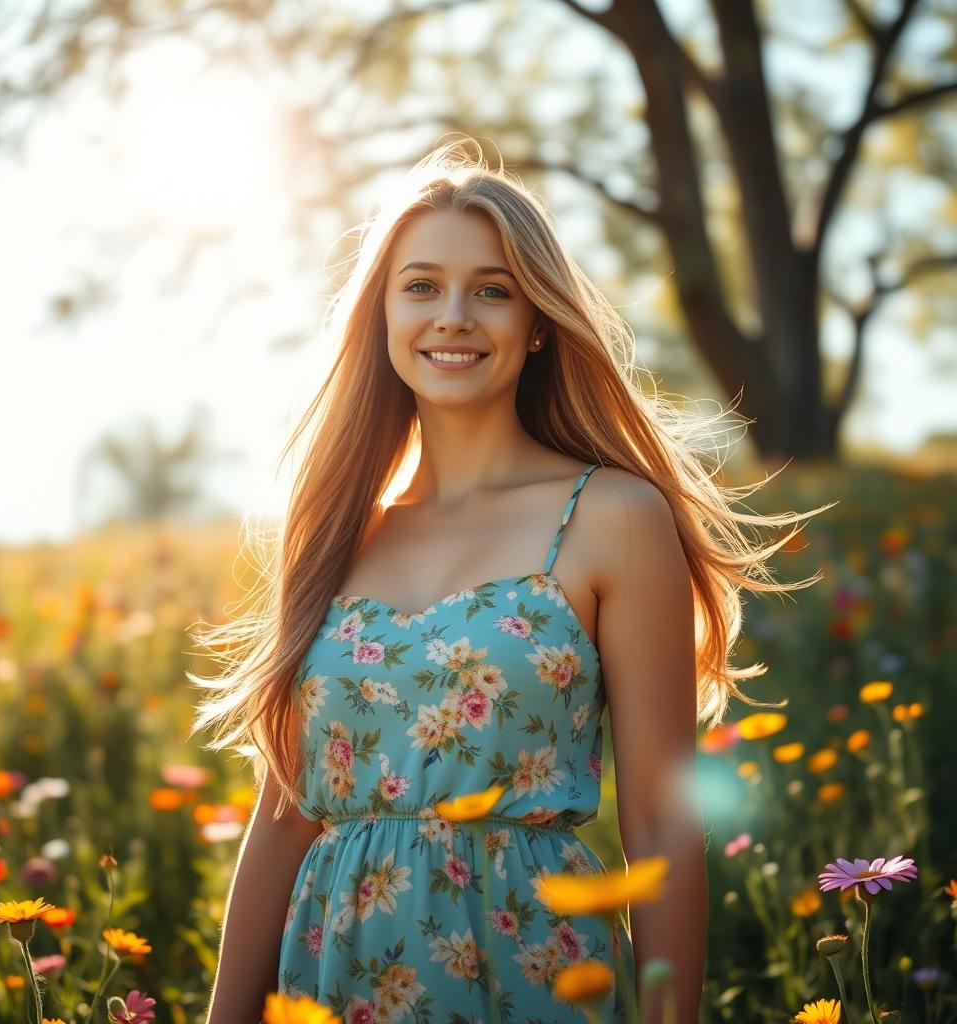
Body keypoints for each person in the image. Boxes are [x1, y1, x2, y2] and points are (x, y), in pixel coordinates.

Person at [191, 139, 832, 1024]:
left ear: (536, 323)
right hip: (332, 983)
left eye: (491, 290)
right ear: (380, 315)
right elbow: (284, 821)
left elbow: (661, 824)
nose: (452, 315)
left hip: (532, 972)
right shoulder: (338, 532)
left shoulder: (612, 516)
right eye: (420, 286)